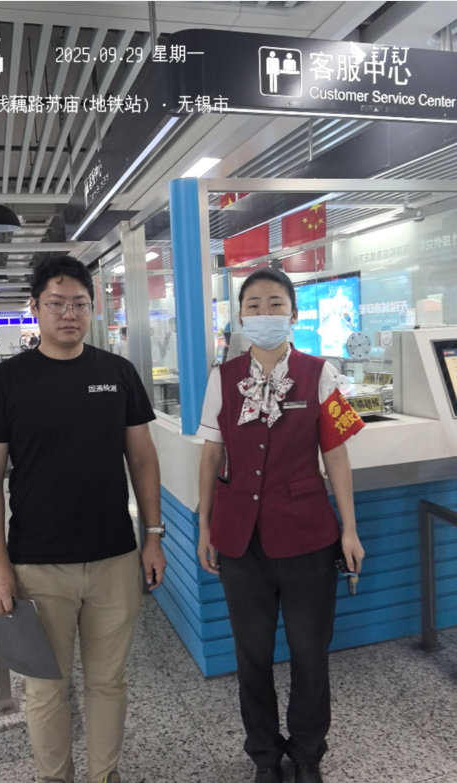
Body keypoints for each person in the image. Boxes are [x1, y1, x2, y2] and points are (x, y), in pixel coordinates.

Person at [0, 256, 166, 783]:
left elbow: (143, 458)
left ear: (92, 308)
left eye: (79, 303)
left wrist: (152, 536)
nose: (69, 313)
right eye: (56, 303)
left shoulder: (117, 373)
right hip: (36, 565)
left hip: (114, 559)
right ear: (35, 308)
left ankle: (105, 776)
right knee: (45, 689)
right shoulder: (5, 383)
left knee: (108, 683)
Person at [197, 268, 365, 783]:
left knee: (310, 652)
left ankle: (308, 752)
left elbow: (336, 455)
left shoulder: (321, 373)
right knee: (251, 655)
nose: (264, 313)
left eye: (275, 304)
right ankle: (265, 756)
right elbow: (211, 455)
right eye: (254, 304)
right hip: (240, 540)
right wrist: (205, 527)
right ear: (240, 314)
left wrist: (350, 529)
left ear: (293, 314)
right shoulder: (223, 377)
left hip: (308, 536)